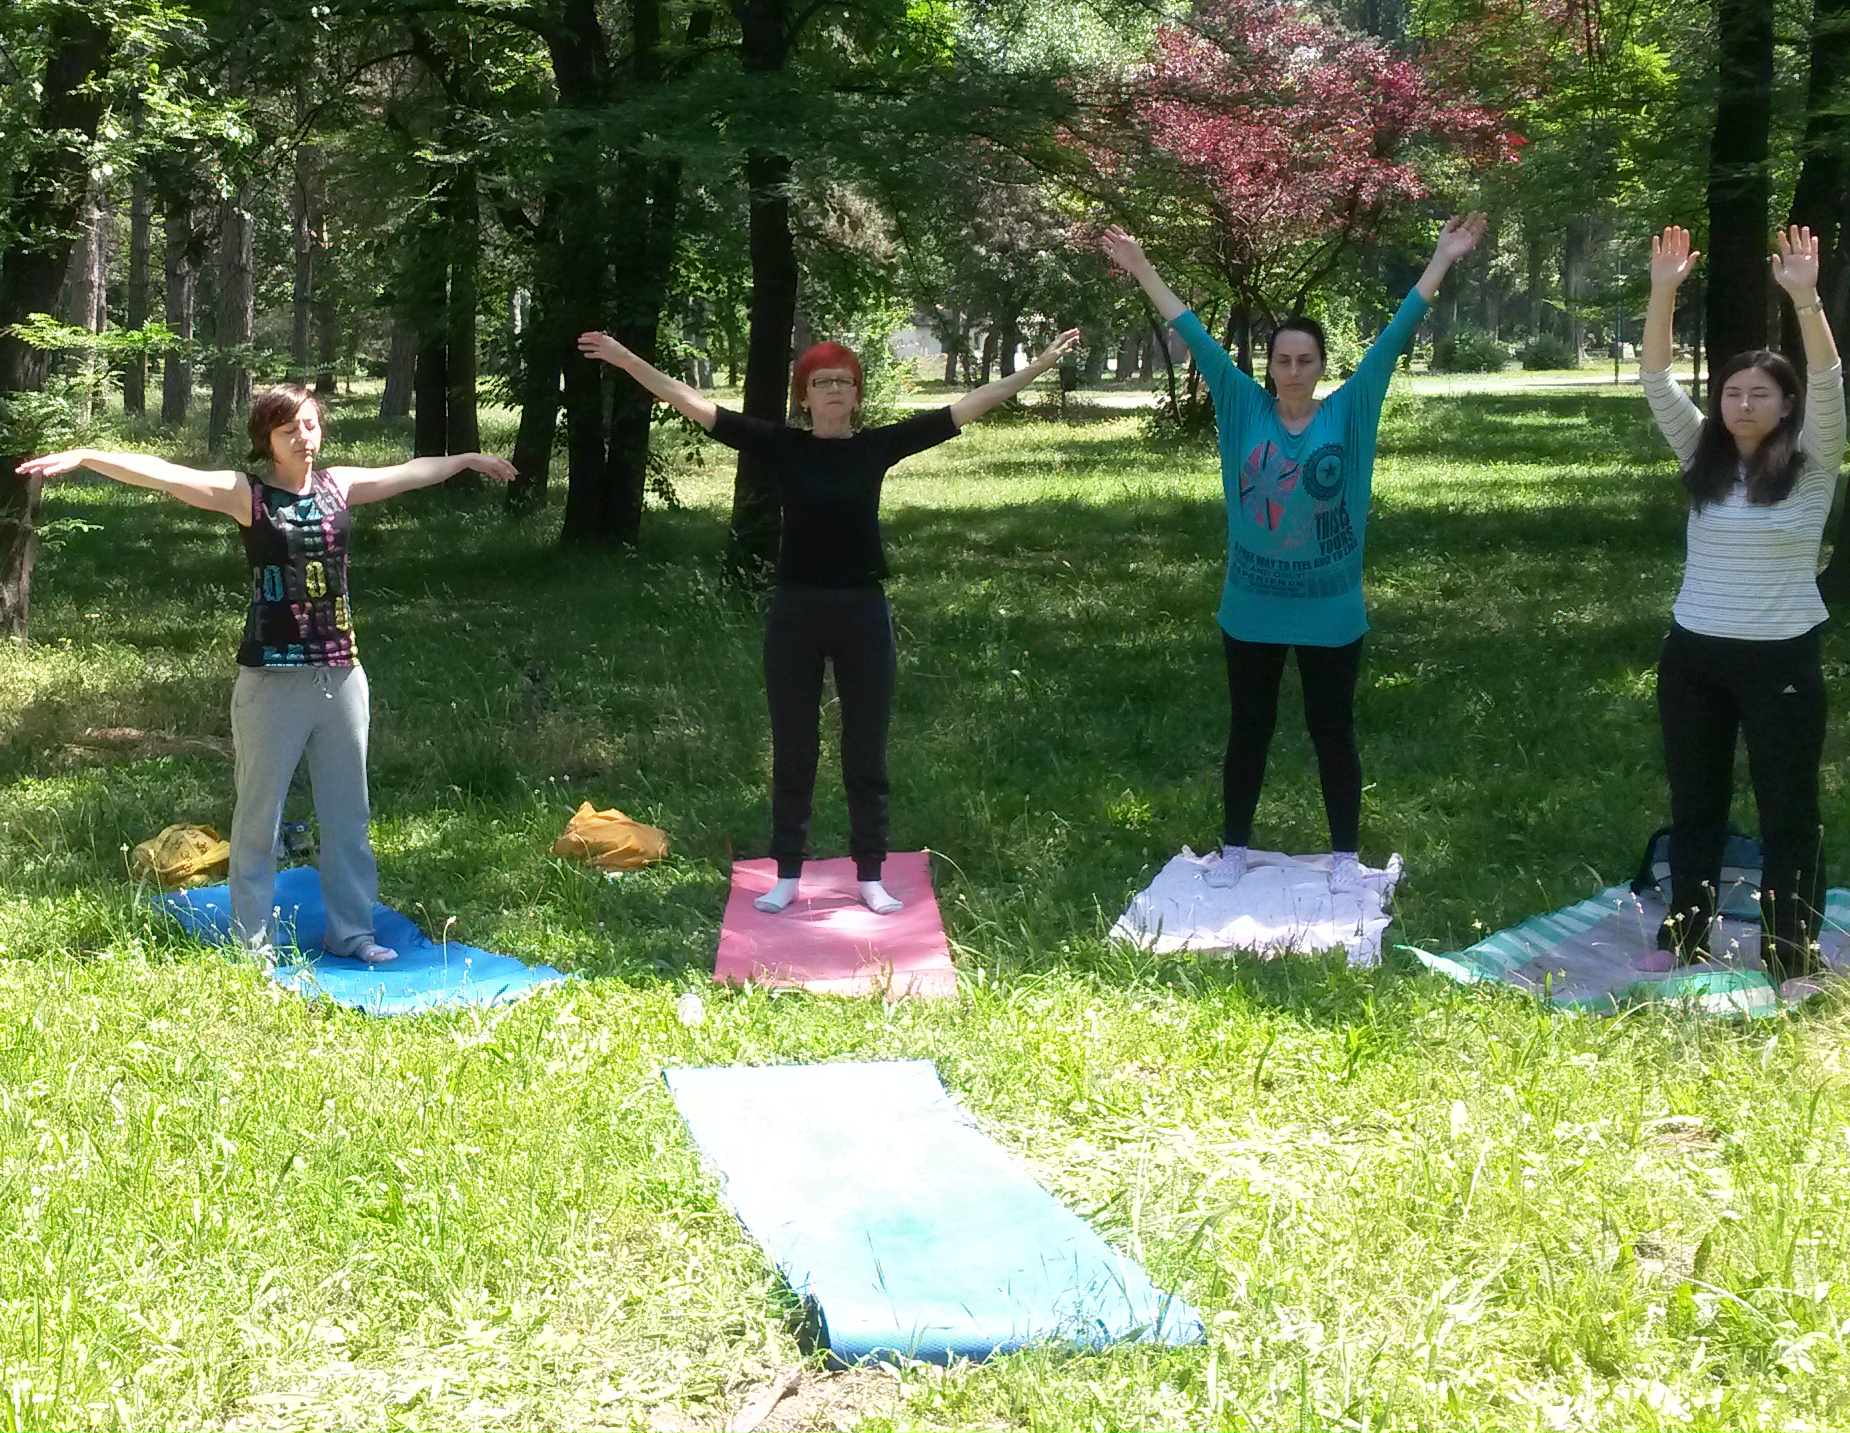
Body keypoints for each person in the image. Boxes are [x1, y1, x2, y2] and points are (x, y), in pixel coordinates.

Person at [579, 327, 1080, 914]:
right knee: (794, 749)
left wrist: (1037, 367)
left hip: (862, 610)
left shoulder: (876, 448)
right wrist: (624, 357)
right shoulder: (782, 446)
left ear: (858, 395)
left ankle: (871, 872)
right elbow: (691, 402)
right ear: (804, 398)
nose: (835, 390)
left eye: (845, 381)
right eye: (822, 382)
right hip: (795, 610)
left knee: (866, 750)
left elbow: (966, 406)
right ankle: (787, 871)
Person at [19, 392, 514, 964]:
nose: (304, 437)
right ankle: (253, 942)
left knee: (349, 816)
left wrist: (467, 460)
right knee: (259, 818)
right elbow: (165, 474)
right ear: (267, 441)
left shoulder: (339, 485)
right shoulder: (246, 494)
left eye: (310, 425)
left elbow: (409, 472)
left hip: (341, 674)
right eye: (289, 430)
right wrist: (89, 456)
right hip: (271, 680)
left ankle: (352, 933)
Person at [1092, 213, 1487, 886]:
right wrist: (1140, 266)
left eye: (1306, 360)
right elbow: (1191, 329)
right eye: (1283, 360)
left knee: (1332, 729)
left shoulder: (1349, 410)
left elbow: (1396, 335)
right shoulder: (1241, 405)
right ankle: (1234, 850)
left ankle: (1344, 857)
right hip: (1252, 607)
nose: (1294, 371)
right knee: (1250, 728)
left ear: (1322, 366)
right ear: (1268, 366)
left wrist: (1442, 257)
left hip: (1331, 609)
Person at [1633, 224, 1844, 989]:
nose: (1742, 402)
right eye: (1731, 391)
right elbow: (1657, 379)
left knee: (1789, 816)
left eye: (1760, 393)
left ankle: (1791, 956)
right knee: (1697, 807)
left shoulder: (1814, 461)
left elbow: (1829, 379)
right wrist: (1664, 291)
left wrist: (1805, 299)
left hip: (1780, 659)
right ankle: (1685, 937)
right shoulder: (1703, 453)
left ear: (1787, 406)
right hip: (1694, 658)